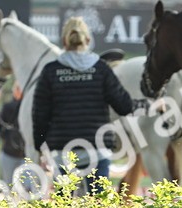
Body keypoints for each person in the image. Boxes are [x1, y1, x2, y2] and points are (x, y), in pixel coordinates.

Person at [32, 16, 134, 195]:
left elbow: (39, 115)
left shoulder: (50, 71)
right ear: (88, 40)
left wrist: (40, 147)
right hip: (98, 150)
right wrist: (149, 104)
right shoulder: (101, 69)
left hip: (63, 152)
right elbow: (124, 106)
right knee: (99, 205)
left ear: (64, 41)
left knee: (64, 207)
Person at [0, 83, 27, 184]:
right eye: (17, 88)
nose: (19, 91)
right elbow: (0, 127)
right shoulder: (7, 107)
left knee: (26, 186)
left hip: (25, 155)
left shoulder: (29, 107)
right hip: (8, 153)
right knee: (8, 184)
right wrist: (8, 138)